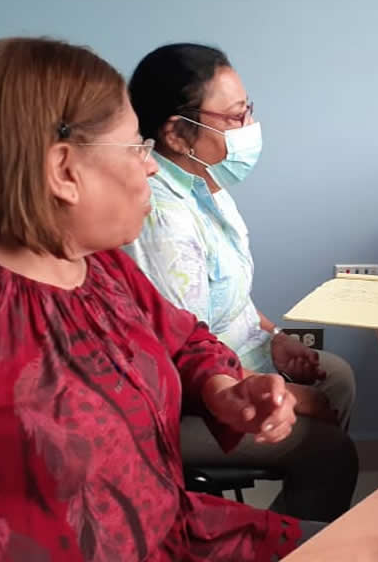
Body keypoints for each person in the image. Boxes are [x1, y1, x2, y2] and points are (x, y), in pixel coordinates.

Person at [0, 37, 317, 561]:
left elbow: (185, 337)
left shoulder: (96, 264)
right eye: (136, 148)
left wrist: (220, 388)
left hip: (177, 536)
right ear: (63, 170)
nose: (151, 167)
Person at [124, 43, 358, 523]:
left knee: (338, 376)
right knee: (328, 448)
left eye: (248, 110)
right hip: (190, 400)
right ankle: (288, 538)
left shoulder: (206, 185)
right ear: (176, 133)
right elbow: (182, 351)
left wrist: (275, 339)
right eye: (234, 117)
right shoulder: (162, 219)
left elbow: (229, 300)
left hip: (238, 359)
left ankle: (292, 520)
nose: (249, 128)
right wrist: (293, 397)